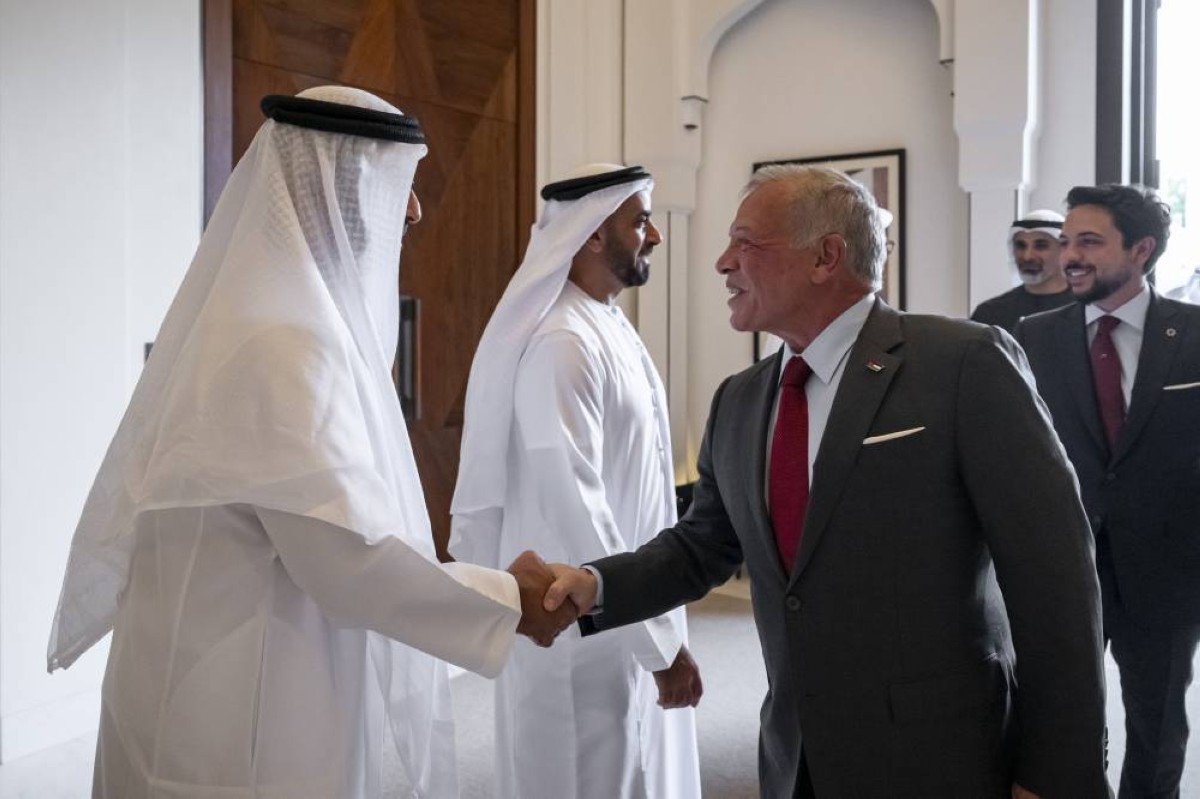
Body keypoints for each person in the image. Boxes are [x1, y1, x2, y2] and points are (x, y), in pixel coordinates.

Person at [45, 86, 572, 799]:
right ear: (348, 188)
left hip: (215, 670)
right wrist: (509, 596)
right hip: (237, 711)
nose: (413, 212)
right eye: (401, 188)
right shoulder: (285, 343)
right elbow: (351, 561)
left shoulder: (263, 316)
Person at [544, 164, 1110, 798]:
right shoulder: (741, 399)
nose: (722, 262)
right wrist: (594, 585)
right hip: (798, 757)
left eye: (745, 242)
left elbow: (1054, 576)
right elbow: (702, 546)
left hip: (943, 757)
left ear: (826, 257)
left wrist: (1059, 772)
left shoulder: (963, 363)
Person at [450, 164, 702, 799]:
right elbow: (575, 503)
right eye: (640, 221)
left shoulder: (603, 321)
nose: (656, 236)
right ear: (592, 235)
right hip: (580, 628)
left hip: (627, 604)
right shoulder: (561, 340)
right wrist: (658, 645)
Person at [1016, 184, 1200, 799]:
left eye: (1089, 242)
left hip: (1168, 567)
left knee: (1156, 723)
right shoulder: (1031, 337)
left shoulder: (1194, 333)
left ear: (1141, 249)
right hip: (1064, 565)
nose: (1069, 255)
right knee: (1063, 717)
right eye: (1066, 241)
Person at [970, 209, 1075, 333]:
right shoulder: (990, 313)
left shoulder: (1086, 308)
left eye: (1041, 246)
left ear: (1063, 250)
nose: (1027, 257)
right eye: (1021, 245)